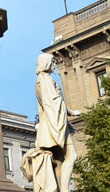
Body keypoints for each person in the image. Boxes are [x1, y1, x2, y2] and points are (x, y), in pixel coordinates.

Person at [34, 53, 80, 192]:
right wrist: (66, 118)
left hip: (52, 123)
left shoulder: (43, 80)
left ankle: (60, 188)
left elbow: (55, 101)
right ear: (47, 63)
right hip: (54, 124)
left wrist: (70, 112)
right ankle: (64, 189)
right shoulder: (45, 80)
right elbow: (53, 102)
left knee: (58, 161)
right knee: (72, 156)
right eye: (52, 62)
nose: (54, 65)